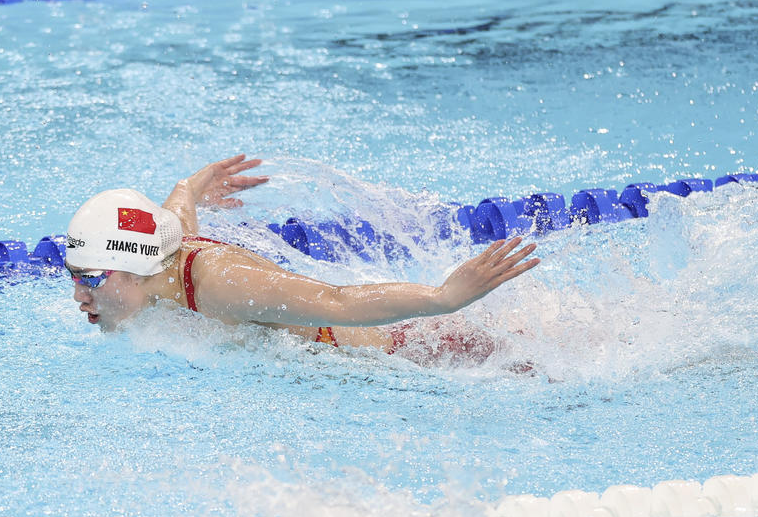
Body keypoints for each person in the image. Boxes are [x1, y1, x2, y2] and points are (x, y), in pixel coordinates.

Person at [64, 155, 539, 363]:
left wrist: (443, 297)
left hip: (401, 353)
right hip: (384, 344)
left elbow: (336, 301)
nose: (79, 294)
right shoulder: (165, 252)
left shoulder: (219, 284)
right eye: (74, 277)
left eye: (90, 277)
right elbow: (177, 209)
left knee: (533, 361)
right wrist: (197, 183)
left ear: (137, 264)